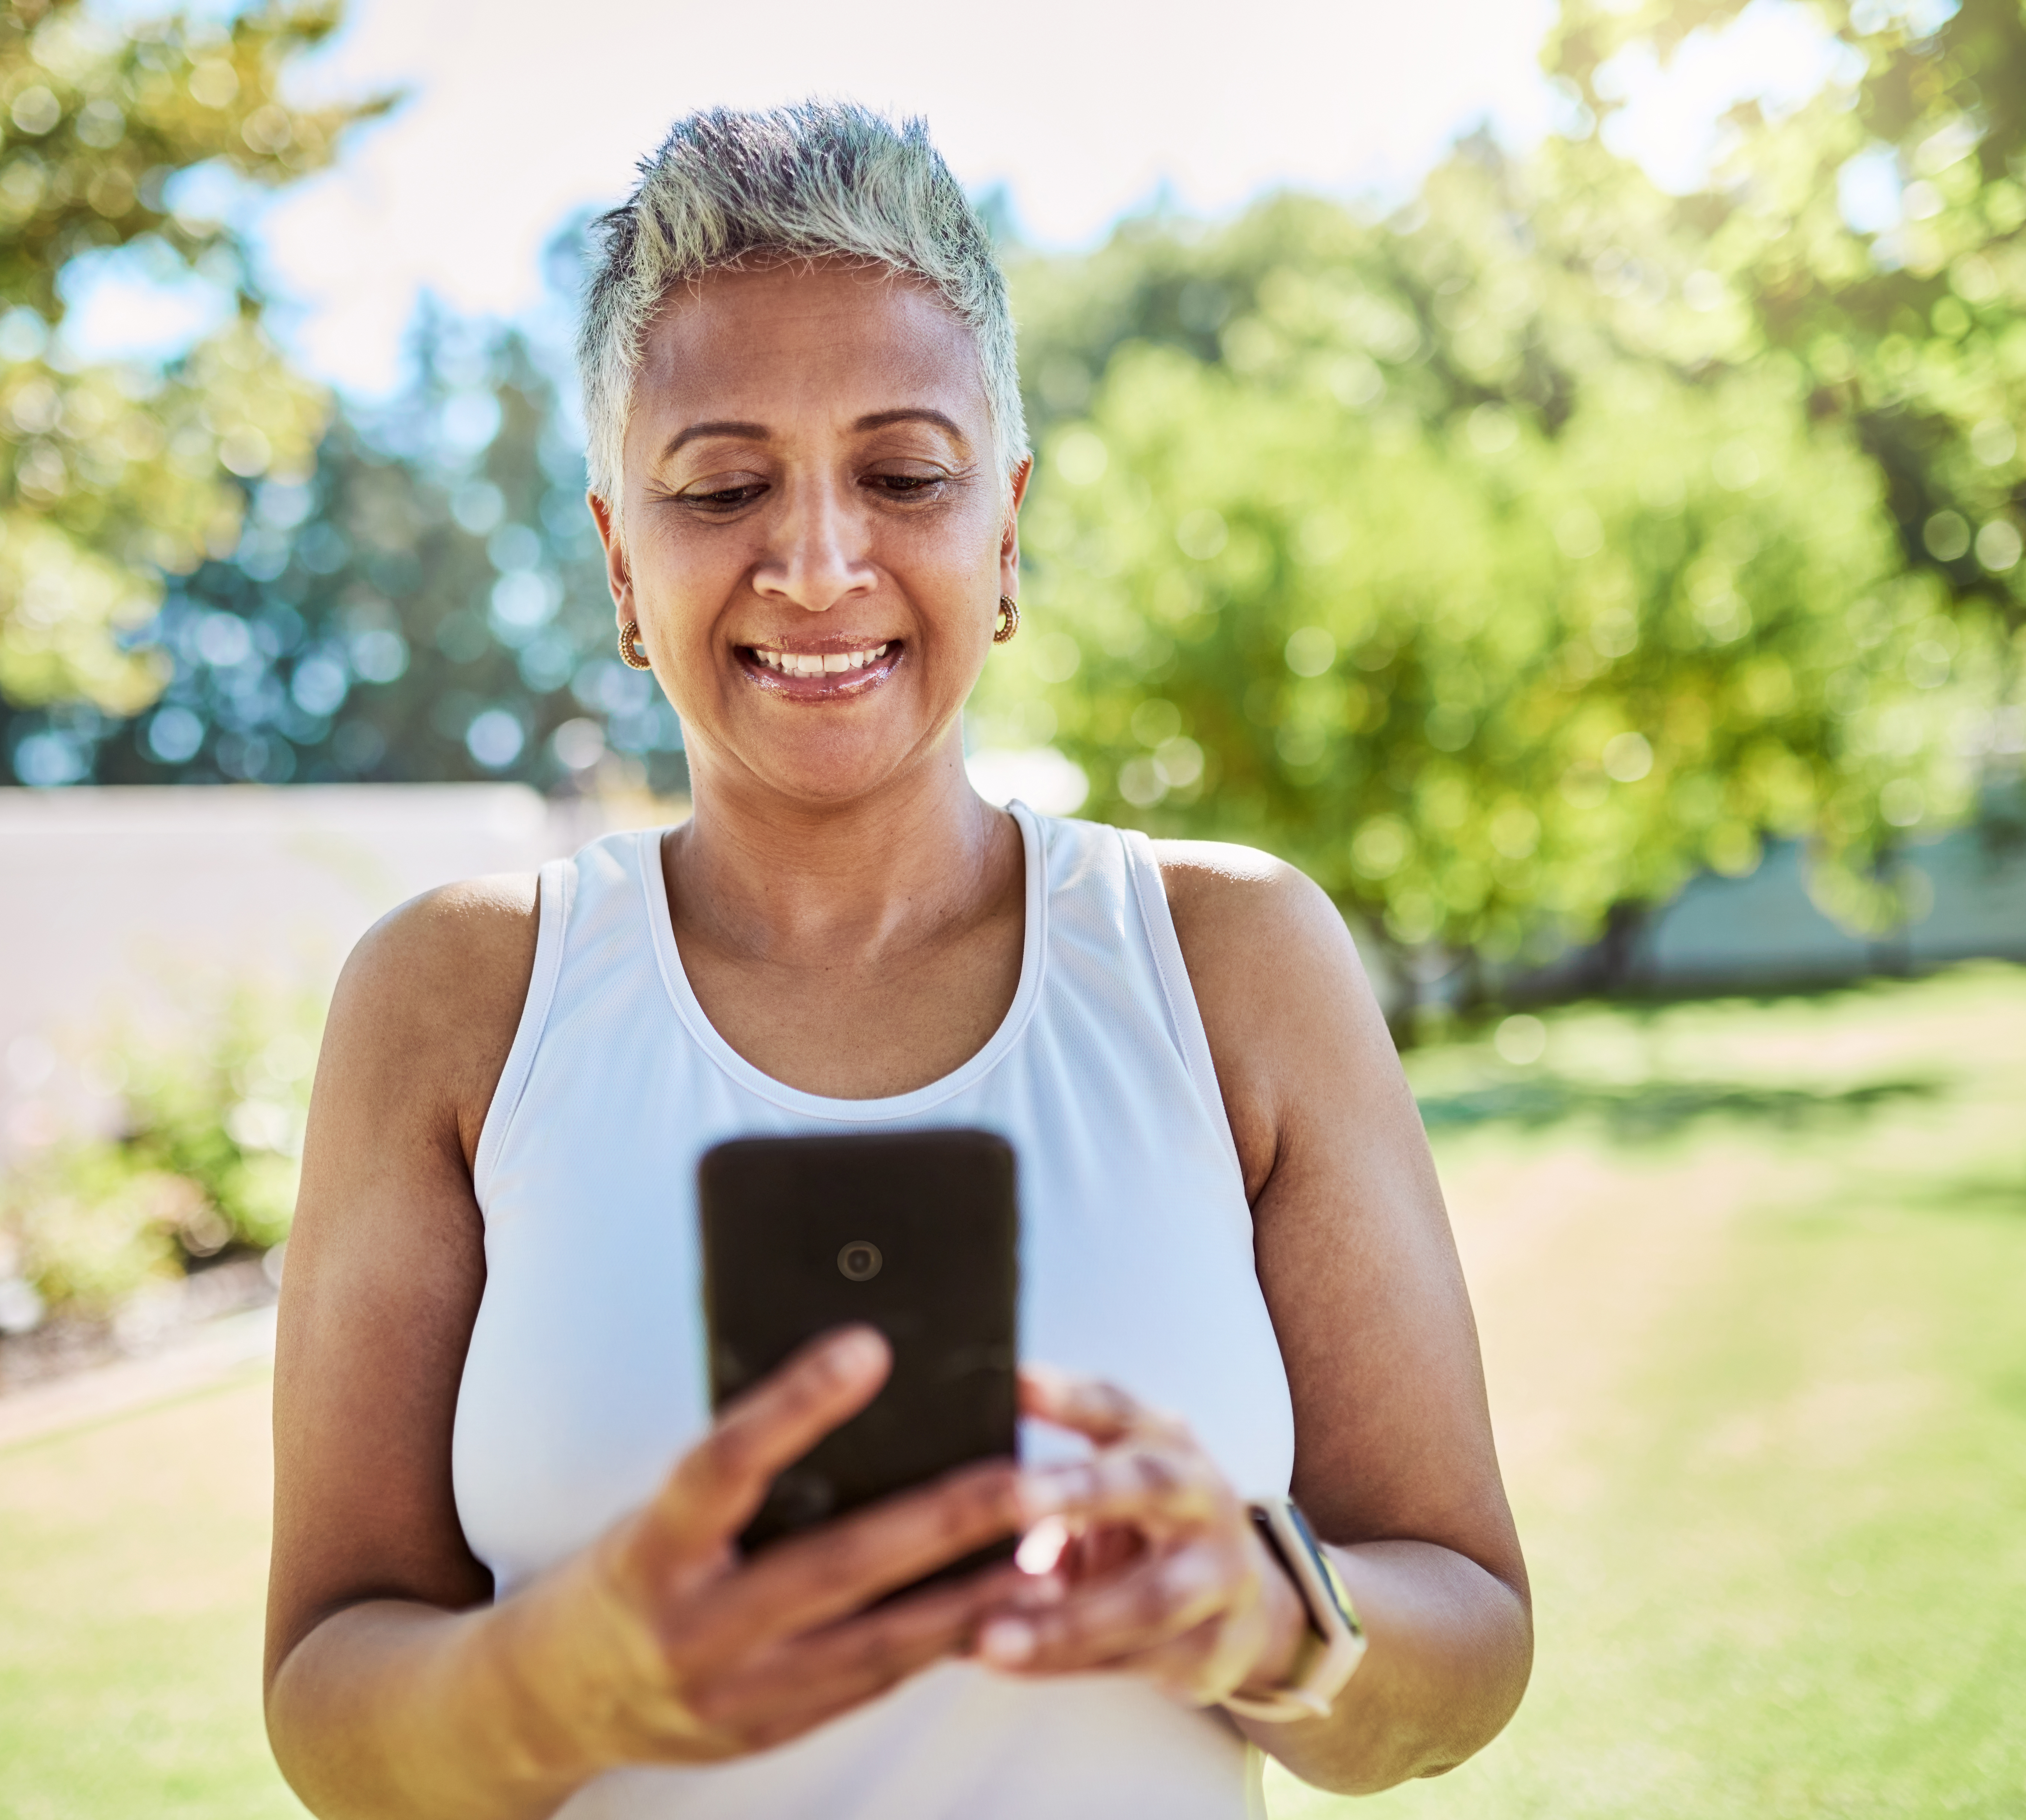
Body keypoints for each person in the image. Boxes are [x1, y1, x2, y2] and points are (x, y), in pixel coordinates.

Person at [263, 103, 1530, 1820]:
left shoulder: (1230, 960)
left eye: (903, 475)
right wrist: (558, 1679)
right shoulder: (453, 1000)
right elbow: (329, 1692)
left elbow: (1469, 1643)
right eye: (720, 486)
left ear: (1001, 532)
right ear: (619, 565)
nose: (818, 563)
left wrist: (1263, 1608)